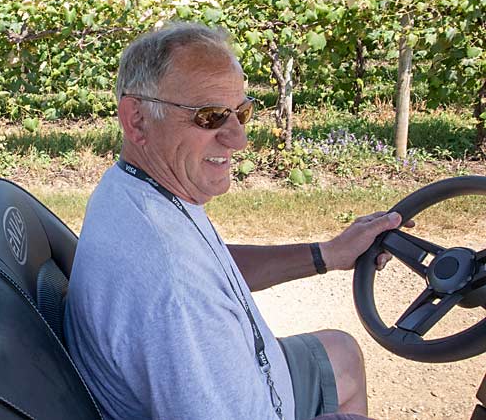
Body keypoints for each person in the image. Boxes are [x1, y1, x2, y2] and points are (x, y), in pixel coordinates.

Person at [64, 22, 408, 420]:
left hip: (253, 376)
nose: (238, 138)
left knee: (342, 353)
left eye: (241, 111)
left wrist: (327, 254)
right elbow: (183, 290)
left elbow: (213, 267)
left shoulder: (136, 190)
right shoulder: (172, 290)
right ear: (137, 120)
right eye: (210, 116)